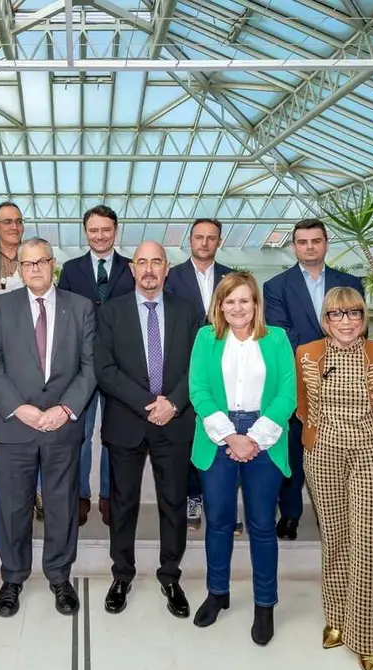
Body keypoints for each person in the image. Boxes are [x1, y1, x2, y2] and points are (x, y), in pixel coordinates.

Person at [0, 238, 96, 618]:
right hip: (15, 427)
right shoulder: (1, 307)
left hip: (62, 427)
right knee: (14, 508)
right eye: (27, 264)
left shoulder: (80, 307)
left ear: (53, 264)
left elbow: (90, 366)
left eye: (41, 262)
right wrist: (19, 409)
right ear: (19, 268)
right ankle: (13, 578)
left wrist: (66, 409)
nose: (34, 269)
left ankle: (60, 577)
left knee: (62, 507)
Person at [295, 287, 373, 670]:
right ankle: (338, 618)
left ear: (364, 317)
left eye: (354, 313)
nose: (346, 321)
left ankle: (369, 637)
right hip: (323, 454)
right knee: (336, 539)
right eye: (337, 314)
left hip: (371, 454)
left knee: (370, 544)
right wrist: (322, 436)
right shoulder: (306, 354)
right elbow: (303, 406)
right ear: (325, 320)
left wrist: (372, 436)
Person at [188, 272, 296, 646]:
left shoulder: (277, 338)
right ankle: (217, 593)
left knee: (262, 524)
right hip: (218, 434)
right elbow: (198, 390)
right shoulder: (206, 338)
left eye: (244, 300)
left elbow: (287, 394)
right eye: (230, 301)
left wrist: (253, 438)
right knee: (218, 521)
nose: (237, 307)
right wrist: (230, 436)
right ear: (220, 306)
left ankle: (265, 604)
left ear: (256, 304)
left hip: (265, 435)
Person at [94, 241, 200, 618]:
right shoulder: (111, 312)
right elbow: (105, 369)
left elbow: (199, 366)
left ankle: (170, 575)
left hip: (175, 421)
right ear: (132, 269)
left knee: (174, 503)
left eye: (157, 262)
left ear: (167, 268)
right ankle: (121, 575)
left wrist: (173, 403)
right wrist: (148, 404)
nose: (149, 269)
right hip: (127, 422)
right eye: (142, 262)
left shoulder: (189, 312)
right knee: (123, 504)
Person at [263, 218, 365, 541]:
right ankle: (290, 513)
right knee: (295, 449)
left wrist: (336, 357)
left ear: (325, 244)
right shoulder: (276, 287)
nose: (309, 247)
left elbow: (358, 326)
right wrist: (322, 355)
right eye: (303, 242)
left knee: (339, 449)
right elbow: (282, 334)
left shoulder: (350, 283)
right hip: (298, 380)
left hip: (346, 380)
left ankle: (335, 516)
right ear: (294, 246)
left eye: (316, 241)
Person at [58, 204, 135, 526]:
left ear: (115, 231)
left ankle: (109, 496)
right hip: (82, 365)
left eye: (106, 229)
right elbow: (62, 317)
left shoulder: (132, 268)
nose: (100, 235)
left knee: (114, 434)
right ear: (85, 232)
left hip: (121, 364)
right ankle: (79, 495)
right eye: (93, 230)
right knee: (80, 433)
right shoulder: (71, 269)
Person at [163, 218, 233, 532]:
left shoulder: (232, 277)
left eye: (211, 238)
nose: (204, 243)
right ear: (190, 240)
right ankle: (193, 496)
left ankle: (223, 503)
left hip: (227, 368)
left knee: (226, 431)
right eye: (199, 237)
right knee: (193, 436)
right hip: (183, 368)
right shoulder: (171, 277)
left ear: (219, 242)